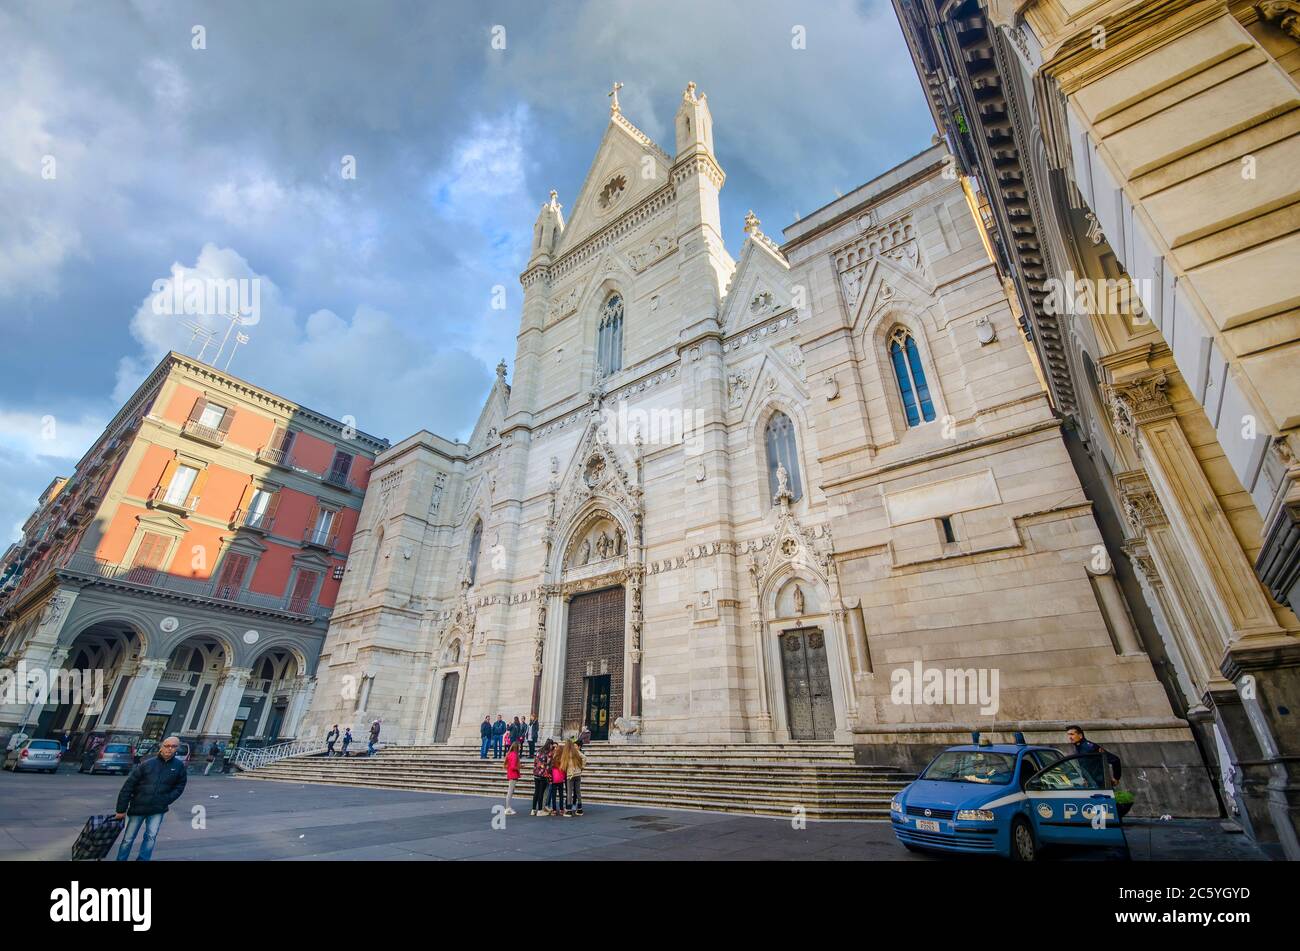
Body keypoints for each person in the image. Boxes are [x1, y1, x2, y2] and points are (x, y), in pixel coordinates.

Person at [114, 735, 188, 861]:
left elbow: (180, 786)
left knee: (151, 837)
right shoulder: (147, 764)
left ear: (177, 748)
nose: (169, 749)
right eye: (167, 746)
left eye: (173, 746)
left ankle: (143, 859)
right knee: (128, 838)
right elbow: (128, 786)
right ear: (161, 747)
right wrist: (121, 809)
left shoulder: (179, 766)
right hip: (138, 807)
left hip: (157, 809)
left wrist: (167, 799)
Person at [531, 740, 554, 816]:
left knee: (536, 792)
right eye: (552, 745)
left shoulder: (539, 751)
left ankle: (533, 809)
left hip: (536, 773)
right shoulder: (549, 753)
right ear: (550, 745)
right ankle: (540, 810)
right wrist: (549, 775)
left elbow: (535, 762)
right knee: (541, 792)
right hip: (543, 774)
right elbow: (549, 765)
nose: (552, 747)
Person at [566, 738, 587, 816]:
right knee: (578, 791)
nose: (574, 747)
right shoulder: (579, 752)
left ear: (579, 746)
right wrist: (582, 767)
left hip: (570, 774)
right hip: (578, 774)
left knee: (569, 792)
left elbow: (584, 758)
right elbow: (584, 758)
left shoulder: (574, 752)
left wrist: (582, 767)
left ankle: (569, 810)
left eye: (575, 745)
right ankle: (579, 809)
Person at [503, 740, 521, 816]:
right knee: (510, 792)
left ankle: (508, 807)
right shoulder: (514, 755)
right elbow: (513, 766)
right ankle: (507, 808)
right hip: (513, 774)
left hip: (510, 773)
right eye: (519, 746)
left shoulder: (510, 754)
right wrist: (518, 767)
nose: (520, 748)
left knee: (510, 791)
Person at [550, 742, 568, 817]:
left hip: (554, 779)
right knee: (561, 795)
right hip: (560, 779)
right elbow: (564, 769)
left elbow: (551, 768)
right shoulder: (562, 760)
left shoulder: (553, 759)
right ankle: (561, 809)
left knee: (553, 795)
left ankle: (554, 810)